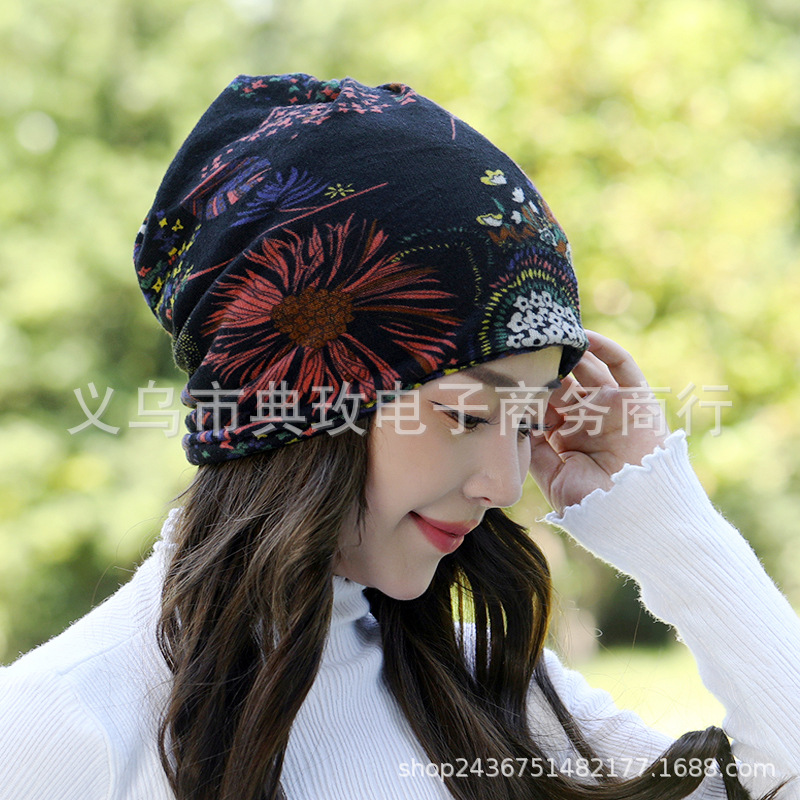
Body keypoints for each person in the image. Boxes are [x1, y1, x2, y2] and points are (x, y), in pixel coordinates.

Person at [0, 73, 798, 800]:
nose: (504, 485)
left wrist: (658, 511)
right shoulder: (68, 724)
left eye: (527, 422)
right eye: (467, 415)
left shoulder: (481, 685)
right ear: (297, 400)